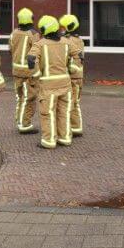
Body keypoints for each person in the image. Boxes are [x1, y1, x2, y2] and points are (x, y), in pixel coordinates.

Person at [27, 15, 79, 149]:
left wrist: (37, 74)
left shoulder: (39, 44)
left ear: (44, 29)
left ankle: (49, 141)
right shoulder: (67, 42)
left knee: (47, 113)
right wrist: (73, 68)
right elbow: (79, 55)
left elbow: (31, 60)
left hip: (48, 85)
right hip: (65, 84)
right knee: (64, 112)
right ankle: (65, 138)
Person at [10, 8, 40, 134]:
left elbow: (10, 49)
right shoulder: (33, 34)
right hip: (29, 72)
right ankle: (25, 124)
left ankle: (19, 120)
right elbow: (38, 51)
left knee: (20, 97)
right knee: (30, 98)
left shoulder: (14, 33)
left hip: (17, 70)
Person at [59, 14, 85, 136]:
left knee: (69, 103)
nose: (61, 30)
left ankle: (68, 128)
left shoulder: (69, 41)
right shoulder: (79, 39)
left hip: (72, 77)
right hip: (78, 76)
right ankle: (76, 127)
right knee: (75, 103)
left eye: (63, 27)